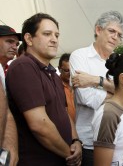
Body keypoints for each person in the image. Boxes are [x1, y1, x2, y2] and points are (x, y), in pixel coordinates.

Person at [6, 13, 82, 166]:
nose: (54, 39)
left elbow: (64, 112)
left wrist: (76, 141)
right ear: (29, 39)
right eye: (47, 34)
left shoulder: (52, 73)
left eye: (56, 35)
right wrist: (69, 154)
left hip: (61, 158)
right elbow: (39, 125)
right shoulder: (24, 66)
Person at [70, 10, 123, 165]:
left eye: (119, 35)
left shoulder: (121, 63)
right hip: (89, 141)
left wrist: (97, 81)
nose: (115, 37)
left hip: (118, 139)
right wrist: (118, 93)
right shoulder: (79, 56)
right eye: (112, 31)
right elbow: (86, 98)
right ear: (98, 30)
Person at [0, 25, 21, 166]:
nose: (14, 46)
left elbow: (6, 110)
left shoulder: (4, 69)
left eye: (16, 43)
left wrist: (11, 147)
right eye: (9, 41)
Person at [58, 53, 76, 122]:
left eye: (72, 70)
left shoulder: (81, 84)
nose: (70, 73)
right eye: (66, 70)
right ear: (59, 69)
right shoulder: (55, 86)